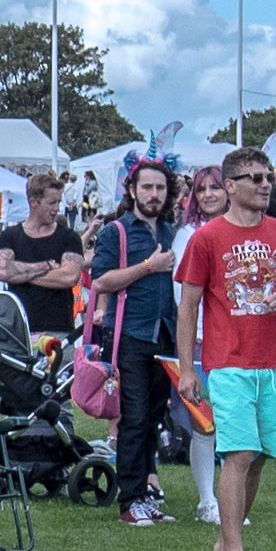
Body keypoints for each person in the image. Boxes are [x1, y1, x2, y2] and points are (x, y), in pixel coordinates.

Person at [176, 148, 276, 551]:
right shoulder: (207, 238)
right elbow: (188, 307)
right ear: (230, 186)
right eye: (253, 177)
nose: (264, 183)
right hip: (229, 363)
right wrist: (188, 369)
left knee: (258, 460)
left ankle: (222, 546)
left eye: (267, 176)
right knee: (238, 455)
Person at [84, 155, 187, 528]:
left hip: (166, 334)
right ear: (132, 189)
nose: (154, 194)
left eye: (160, 188)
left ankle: (144, 493)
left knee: (154, 418)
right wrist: (148, 267)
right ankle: (130, 500)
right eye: (147, 186)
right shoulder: (118, 232)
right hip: (130, 334)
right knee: (134, 416)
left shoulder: (174, 232)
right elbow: (101, 281)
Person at [0, 171, 85, 343]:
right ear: (33, 202)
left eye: (58, 202)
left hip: (58, 331)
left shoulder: (69, 237)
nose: (56, 208)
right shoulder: (10, 236)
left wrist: (20, 276)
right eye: (51, 203)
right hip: (17, 333)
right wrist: (45, 266)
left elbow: (69, 276)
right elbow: (3, 270)